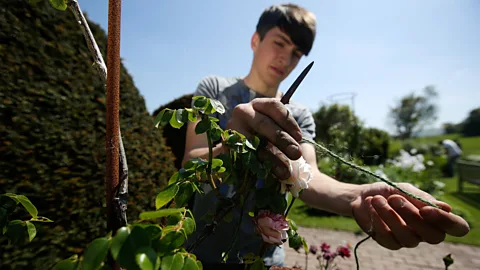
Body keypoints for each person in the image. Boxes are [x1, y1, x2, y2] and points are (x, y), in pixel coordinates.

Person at [182, 3, 470, 269]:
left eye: (296, 53)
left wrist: (356, 195)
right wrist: (230, 146)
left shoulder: (299, 116)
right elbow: (190, 161)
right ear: (255, 40)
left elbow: (308, 175)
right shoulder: (214, 90)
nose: (286, 58)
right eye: (279, 43)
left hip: (265, 261)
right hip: (199, 255)